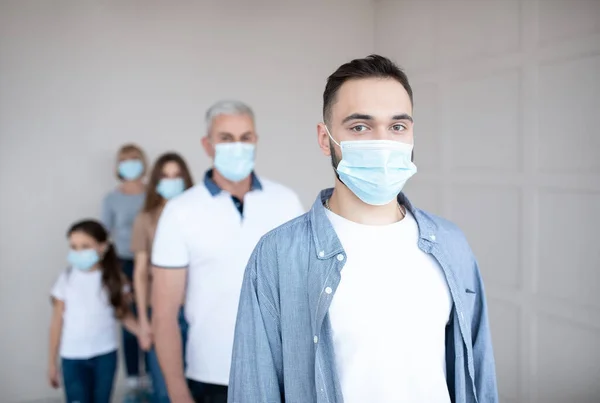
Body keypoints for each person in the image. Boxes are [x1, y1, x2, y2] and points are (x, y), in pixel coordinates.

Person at [228, 55, 499, 403]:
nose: (382, 142)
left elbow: (479, 376)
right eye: (360, 127)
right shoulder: (278, 255)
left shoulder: (450, 243)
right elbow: (254, 390)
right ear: (325, 139)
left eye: (397, 126)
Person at [150, 100, 305, 403]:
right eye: (226, 138)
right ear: (207, 145)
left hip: (282, 374)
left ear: (256, 141)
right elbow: (164, 315)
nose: (238, 146)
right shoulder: (180, 212)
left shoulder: (286, 202)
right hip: (211, 376)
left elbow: (302, 292)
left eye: (245, 137)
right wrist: (177, 392)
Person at [47, 219, 138, 403]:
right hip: (72, 358)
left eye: (85, 246)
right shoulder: (66, 280)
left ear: (102, 247)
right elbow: (57, 323)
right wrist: (51, 363)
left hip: (105, 356)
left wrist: (144, 333)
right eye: (73, 247)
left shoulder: (114, 280)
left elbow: (124, 315)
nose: (78, 252)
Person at [131, 152, 194, 403]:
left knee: (201, 387)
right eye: (165, 176)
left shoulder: (198, 214)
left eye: (177, 176)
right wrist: (144, 322)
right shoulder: (145, 218)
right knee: (165, 390)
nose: (171, 181)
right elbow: (139, 273)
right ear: (156, 181)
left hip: (197, 313)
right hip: (163, 315)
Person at [101, 143, 148, 397]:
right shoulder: (112, 199)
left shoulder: (152, 194)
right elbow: (104, 237)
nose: (130, 163)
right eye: (125, 160)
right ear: (119, 166)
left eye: (135, 159)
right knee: (129, 319)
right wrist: (115, 272)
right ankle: (133, 378)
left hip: (151, 263)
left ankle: (153, 372)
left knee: (150, 316)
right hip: (123, 263)